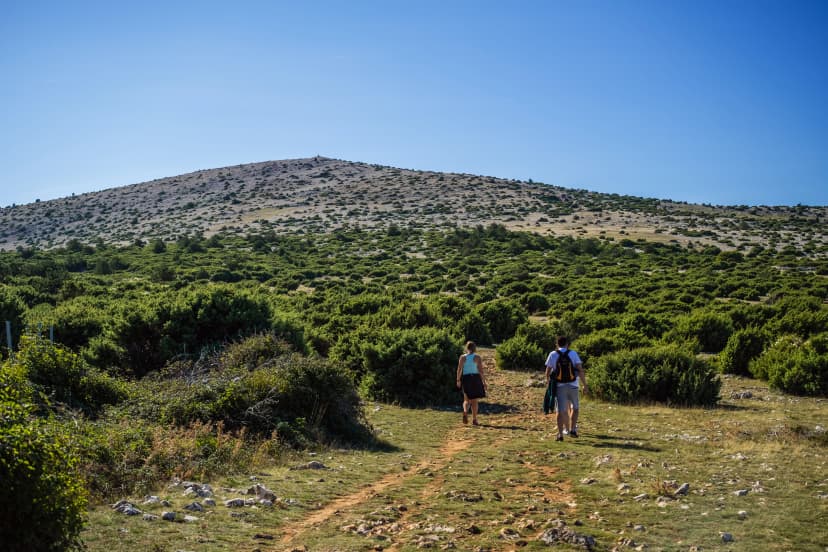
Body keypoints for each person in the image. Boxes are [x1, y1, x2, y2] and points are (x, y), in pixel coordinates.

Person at [544, 336, 587, 441]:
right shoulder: (573, 354)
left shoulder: (552, 354)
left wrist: (548, 382)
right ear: (567, 344)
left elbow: (548, 371)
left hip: (560, 386)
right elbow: (580, 370)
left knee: (560, 410)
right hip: (573, 385)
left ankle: (560, 434)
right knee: (575, 408)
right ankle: (572, 430)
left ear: (557, 344)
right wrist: (585, 385)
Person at [456, 341, 486, 425]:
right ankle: (474, 419)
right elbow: (481, 371)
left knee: (466, 400)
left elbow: (459, 369)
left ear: (467, 348)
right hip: (475, 378)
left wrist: (458, 380)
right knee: (474, 401)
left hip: (466, 378)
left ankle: (465, 411)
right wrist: (484, 382)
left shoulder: (462, 357)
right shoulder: (477, 357)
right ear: (475, 348)